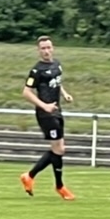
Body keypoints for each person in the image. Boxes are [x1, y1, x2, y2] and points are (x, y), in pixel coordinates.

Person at [18, 35, 76, 200]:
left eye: (48, 47)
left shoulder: (57, 64)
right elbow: (26, 92)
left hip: (56, 111)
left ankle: (30, 176)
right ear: (38, 50)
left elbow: (57, 82)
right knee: (59, 149)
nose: (46, 51)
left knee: (59, 149)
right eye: (43, 48)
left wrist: (64, 94)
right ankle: (59, 186)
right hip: (46, 114)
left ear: (53, 48)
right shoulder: (37, 71)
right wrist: (44, 106)